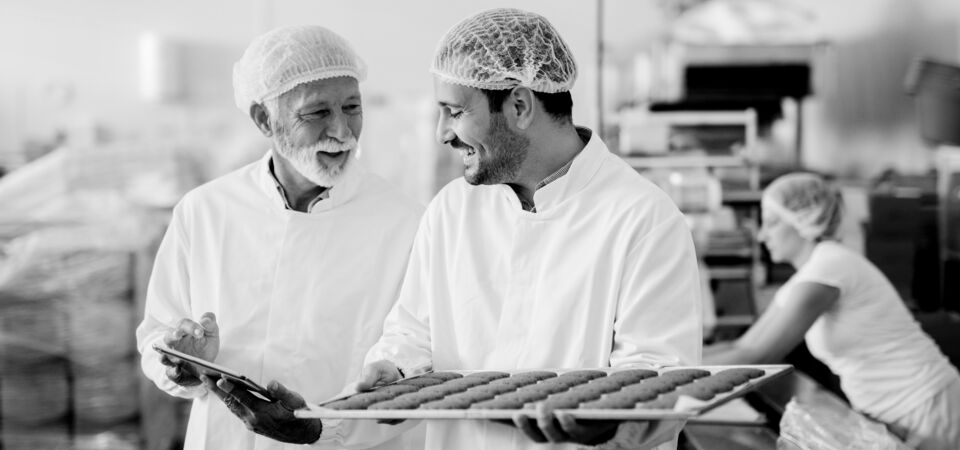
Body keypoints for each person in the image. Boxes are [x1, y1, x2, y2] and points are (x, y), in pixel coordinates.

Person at [353, 8, 702, 450]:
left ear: (519, 105)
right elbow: (412, 332)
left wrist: (613, 422)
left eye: (455, 111)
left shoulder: (642, 219)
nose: (442, 133)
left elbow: (659, 384)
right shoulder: (451, 210)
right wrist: (394, 369)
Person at [135, 25, 423, 449]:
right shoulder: (207, 212)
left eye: (352, 107)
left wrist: (324, 428)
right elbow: (156, 335)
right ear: (264, 119)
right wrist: (180, 362)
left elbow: (418, 367)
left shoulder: (406, 224)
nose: (342, 132)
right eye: (318, 113)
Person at [703, 173, 960, 450]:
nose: (763, 235)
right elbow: (742, 344)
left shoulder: (830, 267)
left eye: (771, 223)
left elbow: (760, 355)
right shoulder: (810, 274)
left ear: (802, 220)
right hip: (894, 410)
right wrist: (670, 363)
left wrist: (675, 378)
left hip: (925, 406)